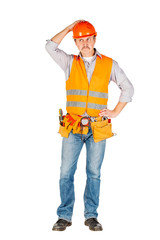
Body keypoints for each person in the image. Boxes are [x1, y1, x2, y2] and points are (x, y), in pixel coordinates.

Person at [45, 20, 134, 231]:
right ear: (75, 42)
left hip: (97, 128)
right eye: (80, 40)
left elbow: (128, 88)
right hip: (73, 127)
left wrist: (115, 112)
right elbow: (49, 46)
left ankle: (91, 216)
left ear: (95, 38)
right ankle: (64, 216)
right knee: (66, 173)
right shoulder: (69, 62)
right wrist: (68, 29)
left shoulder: (109, 64)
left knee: (94, 173)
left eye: (88, 38)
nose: (85, 43)